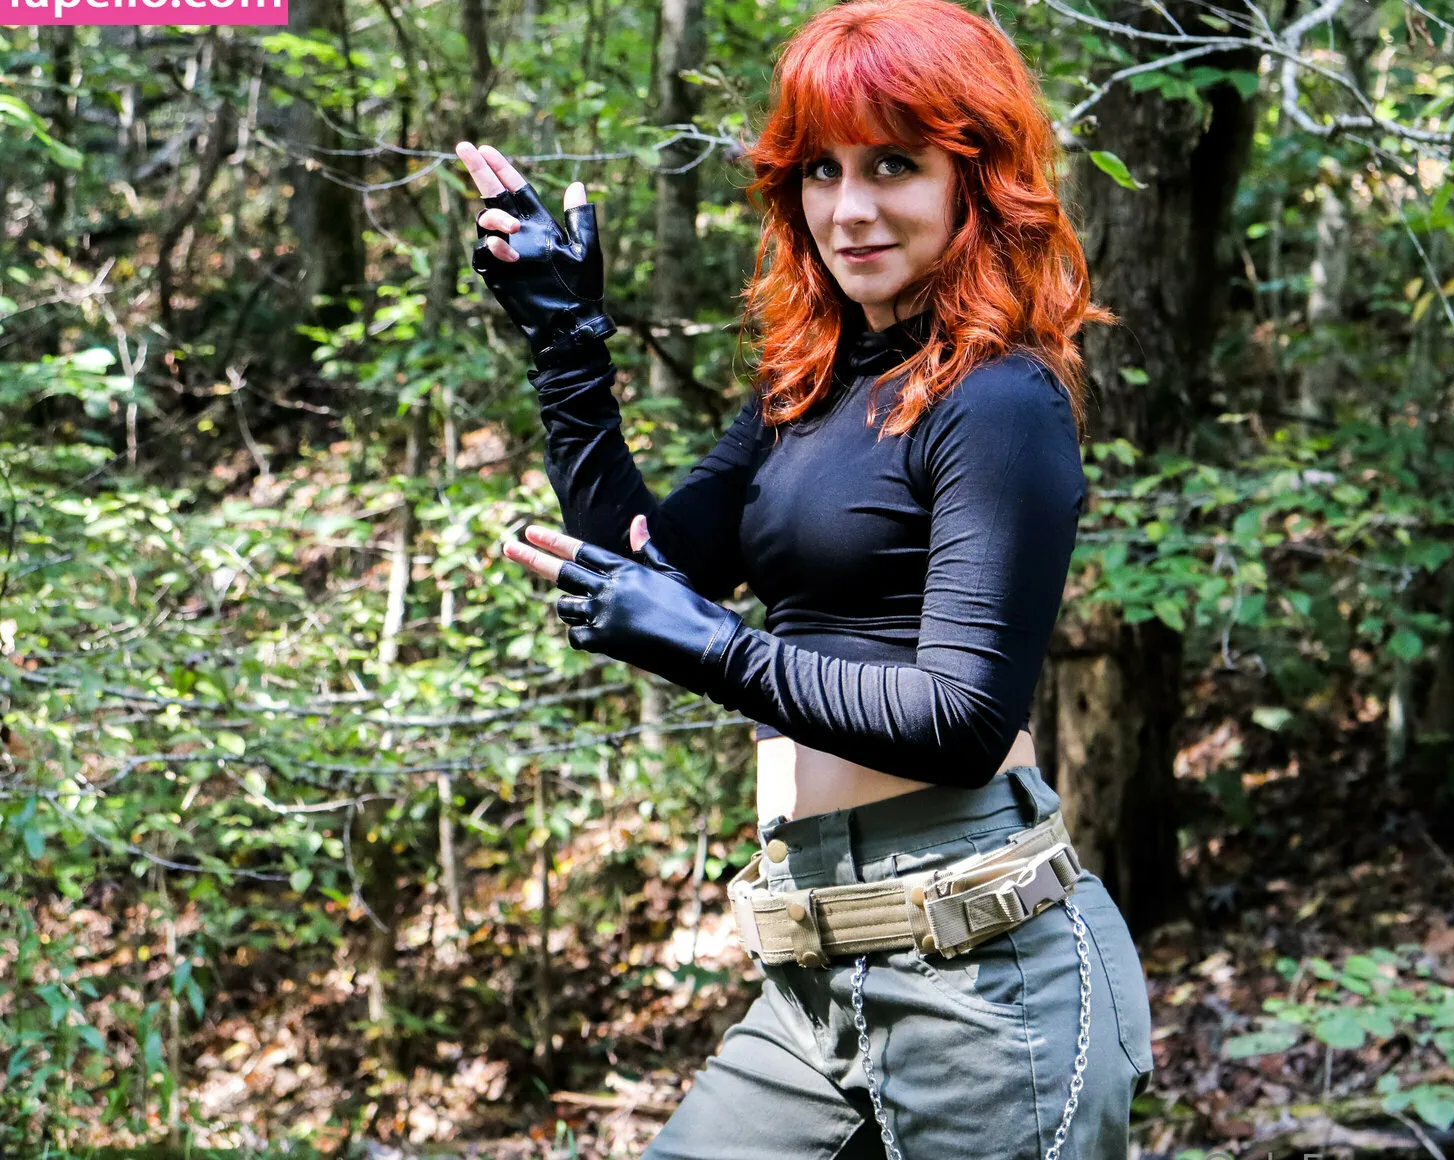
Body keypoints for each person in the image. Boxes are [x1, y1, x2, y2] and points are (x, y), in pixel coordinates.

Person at [456, 0, 1153, 1154]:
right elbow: (647, 563)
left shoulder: (1001, 399)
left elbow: (963, 718)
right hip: (812, 968)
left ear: (976, 180)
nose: (850, 207)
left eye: (894, 165)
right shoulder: (808, 388)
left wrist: (715, 648)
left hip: (985, 978)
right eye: (822, 170)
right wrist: (566, 341)